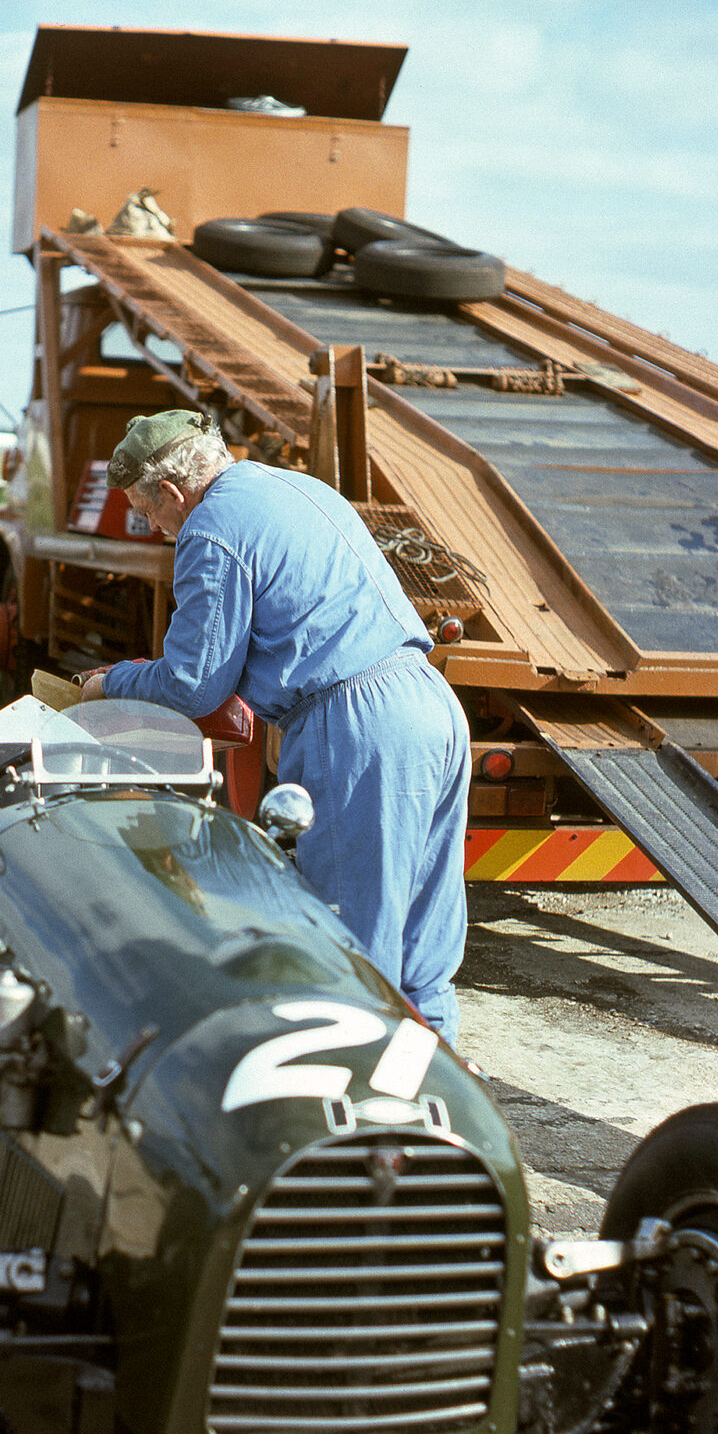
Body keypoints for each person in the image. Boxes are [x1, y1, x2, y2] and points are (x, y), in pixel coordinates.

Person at [80, 408, 471, 1045]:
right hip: (428, 703)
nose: (154, 528)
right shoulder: (295, 487)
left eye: (149, 513)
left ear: (173, 493)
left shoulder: (210, 530)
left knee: (350, 944)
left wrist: (111, 682)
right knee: (423, 946)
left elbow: (192, 681)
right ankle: (435, 1095)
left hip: (355, 726)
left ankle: (362, 1109)